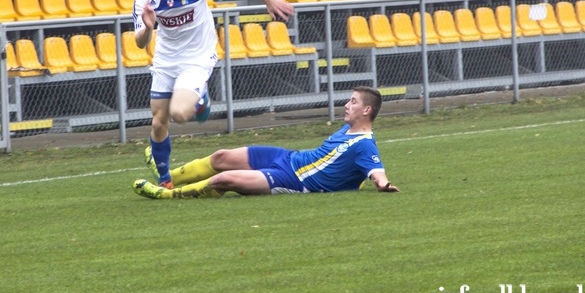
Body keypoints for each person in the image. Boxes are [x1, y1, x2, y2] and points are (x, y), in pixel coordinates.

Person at [131, 0, 295, 189]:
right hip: (165, 61)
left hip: (197, 58)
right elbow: (139, 42)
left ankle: (201, 98)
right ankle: (165, 179)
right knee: (158, 122)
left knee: (179, 114)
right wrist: (148, 27)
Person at [133, 86, 399, 198]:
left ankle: (167, 195)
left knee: (221, 180)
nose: (346, 104)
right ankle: (168, 177)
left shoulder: (364, 143)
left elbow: (376, 170)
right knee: (220, 157)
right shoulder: (347, 129)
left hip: (294, 180)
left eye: (353, 102)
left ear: (366, 111)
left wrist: (383, 184)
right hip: (288, 157)